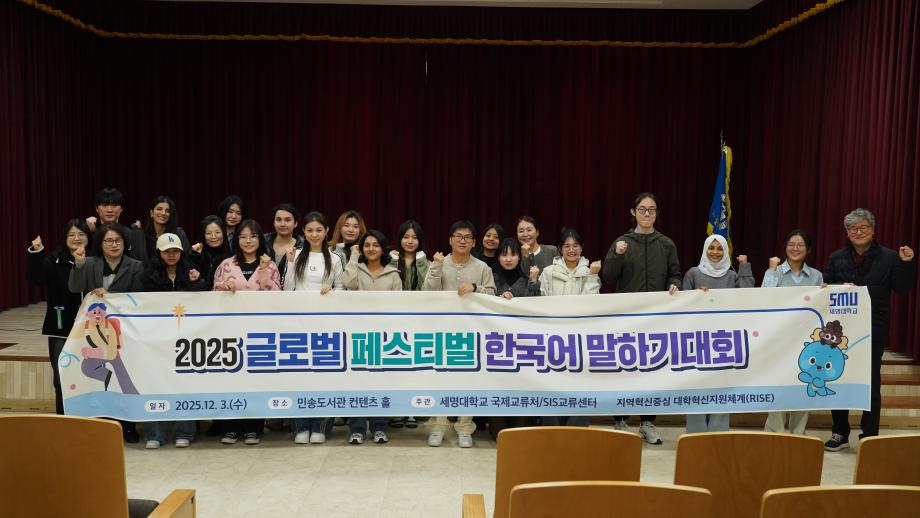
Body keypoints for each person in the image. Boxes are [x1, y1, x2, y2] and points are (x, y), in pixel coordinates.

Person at [823, 208, 915, 452]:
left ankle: (870, 435)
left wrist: (907, 264)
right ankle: (840, 433)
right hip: (841, 332)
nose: (858, 232)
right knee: (837, 378)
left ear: (873, 230)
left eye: (863, 227)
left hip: (873, 330)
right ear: (847, 232)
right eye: (853, 228)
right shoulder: (836, 257)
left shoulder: (890, 257)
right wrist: (833, 286)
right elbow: (826, 287)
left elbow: (902, 288)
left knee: (871, 383)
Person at [601, 192, 681, 445]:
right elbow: (608, 277)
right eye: (642, 209)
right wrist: (617, 254)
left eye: (652, 209)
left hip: (657, 319)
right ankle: (620, 420)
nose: (647, 214)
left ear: (656, 213)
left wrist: (674, 285)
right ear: (633, 212)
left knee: (653, 371)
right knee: (624, 369)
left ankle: (647, 422)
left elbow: (675, 274)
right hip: (627, 320)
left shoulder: (666, 244)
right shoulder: (622, 242)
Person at [67, 222, 145, 443]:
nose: (114, 245)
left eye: (118, 240)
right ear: (100, 244)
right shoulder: (90, 263)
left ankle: (128, 425)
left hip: (124, 332)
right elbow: (74, 287)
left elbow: (139, 297)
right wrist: (78, 264)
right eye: (108, 240)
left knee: (124, 377)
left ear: (124, 243)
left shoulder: (136, 266)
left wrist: (112, 298)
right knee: (96, 378)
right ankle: (101, 424)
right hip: (94, 333)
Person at [423, 220, 496, 448]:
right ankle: (438, 427)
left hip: (471, 332)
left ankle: (465, 428)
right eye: (458, 237)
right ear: (450, 240)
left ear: (474, 242)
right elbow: (427, 293)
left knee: (469, 380)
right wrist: (436, 268)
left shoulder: (482, 267)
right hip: (442, 331)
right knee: (439, 380)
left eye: (467, 237)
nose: (462, 241)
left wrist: (475, 288)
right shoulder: (438, 262)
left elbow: (493, 295)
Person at [213, 219, 281, 445]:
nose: (248, 241)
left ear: (260, 239)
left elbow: (277, 298)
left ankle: (254, 428)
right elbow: (212, 297)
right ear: (237, 240)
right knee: (231, 379)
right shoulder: (226, 265)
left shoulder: (269, 265)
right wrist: (224, 289)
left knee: (256, 380)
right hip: (230, 333)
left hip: (259, 332)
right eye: (243, 237)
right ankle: (231, 427)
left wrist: (264, 271)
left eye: (253, 236)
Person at [682, 234, 754, 433]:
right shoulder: (693, 273)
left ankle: (718, 436)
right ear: (705, 249)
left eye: (720, 248)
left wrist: (744, 267)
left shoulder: (731, 276)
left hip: (724, 341)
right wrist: (695, 297)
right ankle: (695, 436)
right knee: (696, 389)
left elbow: (748, 295)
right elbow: (681, 306)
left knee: (722, 389)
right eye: (711, 248)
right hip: (697, 341)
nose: (715, 252)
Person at [141, 233, 206, 449]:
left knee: (184, 384)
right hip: (156, 339)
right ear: (158, 253)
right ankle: (154, 434)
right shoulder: (148, 276)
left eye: (175, 251)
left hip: (186, 340)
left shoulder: (191, 273)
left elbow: (202, 301)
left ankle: (184, 432)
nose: (171, 255)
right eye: (166, 251)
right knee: (154, 384)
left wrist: (197, 282)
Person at [284, 211, 343, 444]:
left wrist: (333, 292)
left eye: (319, 230)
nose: (314, 234)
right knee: (299, 376)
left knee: (324, 377)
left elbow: (342, 289)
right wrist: (290, 263)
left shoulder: (335, 258)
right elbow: (287, 289)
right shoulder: (296, 255)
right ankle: (300, 427)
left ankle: (321, 426)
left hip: (326, 325)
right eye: (310, 230)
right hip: (299, 324)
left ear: (326, 231)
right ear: (303, 232)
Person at [535, 229, 601, 427]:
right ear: (560, 249)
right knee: (552, 382)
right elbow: (542, 301)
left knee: (579, 383)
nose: (571, 250)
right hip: (553, 336)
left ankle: (577, 428)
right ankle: (552, 428)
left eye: (575, 246)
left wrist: (592, 277)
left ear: (582, 248)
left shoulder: (590, 271)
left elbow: (591, 304)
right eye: (567, 246)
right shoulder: (548, 272)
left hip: (580, 338)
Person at [342, 230, 402, 445]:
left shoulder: (393, 274)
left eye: (376, 245)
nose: (371, 249)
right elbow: (348, 283)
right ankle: (357, 429)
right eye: (366, 245)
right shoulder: (356, 268)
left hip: (384, 336)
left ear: (383, 248)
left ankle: (378, 427)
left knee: (379, 383)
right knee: (357, 383)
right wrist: (353, 256)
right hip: (357, 334)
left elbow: (400, 307)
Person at [762, 229, 824, 436]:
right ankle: (775, 432)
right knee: (778, 385)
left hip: (805, 340)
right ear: (785, 248)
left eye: (800, 245)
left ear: (808, 250)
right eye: (791, 244)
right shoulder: (774, 271)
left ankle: (799, 433)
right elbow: (764, 300)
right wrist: (772, 271)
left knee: (803, 385)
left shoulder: (816, 275)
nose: (795, 248)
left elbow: (820, 307)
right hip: (779, 339)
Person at [26, 219, 91, 415]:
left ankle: (91, 420)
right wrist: (37, 252)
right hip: (60, 326)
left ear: (88, 237)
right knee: (61, 376)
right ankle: (64, 418)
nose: (76, 238)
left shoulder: (95, 259)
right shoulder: (54, 260)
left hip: (92, 328)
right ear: (64, 238)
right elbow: (36, 279)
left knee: (90, 376)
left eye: (81, 234)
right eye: (71, 235)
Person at [388, 219, 429, 428]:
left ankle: (413, 410)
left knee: (415, 367)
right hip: (393, 321)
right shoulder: (390, 259)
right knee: (395, 366)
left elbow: (427, 286)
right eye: (406, 237)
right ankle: (396, 410)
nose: (410, 241)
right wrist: (393, 262)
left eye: (414, 237)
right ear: (400, 239)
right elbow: (387, 284)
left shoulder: (425, 261)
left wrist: (421, 263)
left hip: (418, 321)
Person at [86, 188, 147, 262]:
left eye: (114, 205)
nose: (109, 210)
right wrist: (89, 232)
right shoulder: (88, 233)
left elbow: (140, 263)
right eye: (104, 205)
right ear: (97, 208)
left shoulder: (132, 234)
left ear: (121, 209)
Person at [264, 203, 303, 287]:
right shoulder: (263, 241)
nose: (282, 224)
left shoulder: (302, 246)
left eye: (287, 220)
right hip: (264, 291)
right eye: (278, 220)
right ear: (274, 222)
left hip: (292, 292)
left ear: (295, 223)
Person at [141, 195, 190, 261]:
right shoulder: (143, 235)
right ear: (151, 213)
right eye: (159, 209)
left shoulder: (179, 234)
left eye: (167, 211)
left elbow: (186, 259)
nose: (163, 213)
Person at [189, 215, 231, 291]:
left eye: (217, 232)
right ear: (203, 235)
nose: (213, 236)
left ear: (223, 233)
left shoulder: (231, 257)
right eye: (208, 233)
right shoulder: (195, 255)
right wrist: (195, 255)